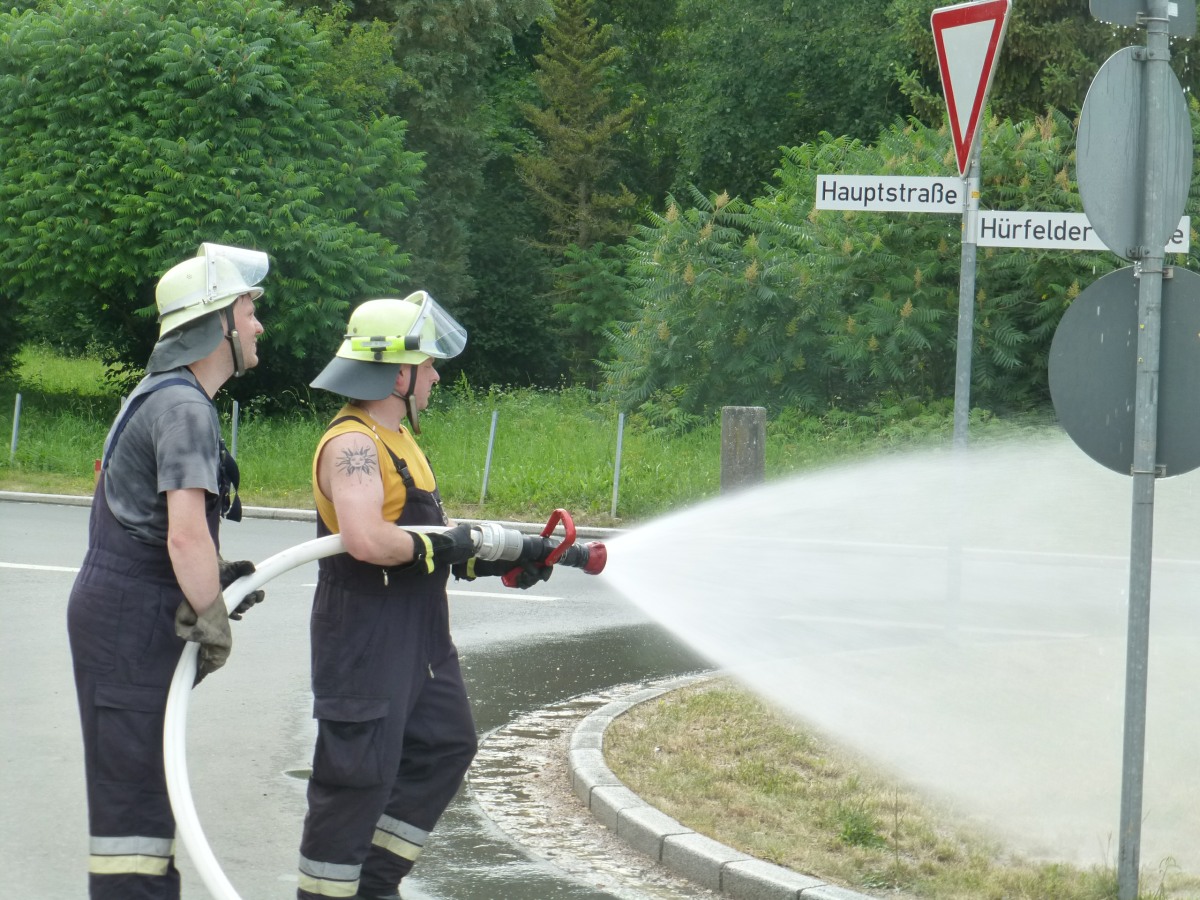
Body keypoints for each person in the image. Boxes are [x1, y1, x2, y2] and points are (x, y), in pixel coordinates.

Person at [297, 292, 550, 900]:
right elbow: (367, 539)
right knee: (358, 777)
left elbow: (428, 536)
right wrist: (447, 545)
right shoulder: (352, 444)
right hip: (364, 635)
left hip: (421, 634)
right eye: (428, 364)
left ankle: (373, 884)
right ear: (397, 374)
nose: (436, 376)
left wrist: (501, 556)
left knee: (445, 744)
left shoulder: (400, 439)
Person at [66, 242, 269, 900]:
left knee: (146, 801)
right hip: (127, 620)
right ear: (217, 324)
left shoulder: (167, 396)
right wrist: (213, 620)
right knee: (134, 815)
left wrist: (216, 575)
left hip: (127, 610)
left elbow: (165, 532)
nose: (259, 325)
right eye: (249, 311)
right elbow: (184, 534)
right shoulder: (185, 408)